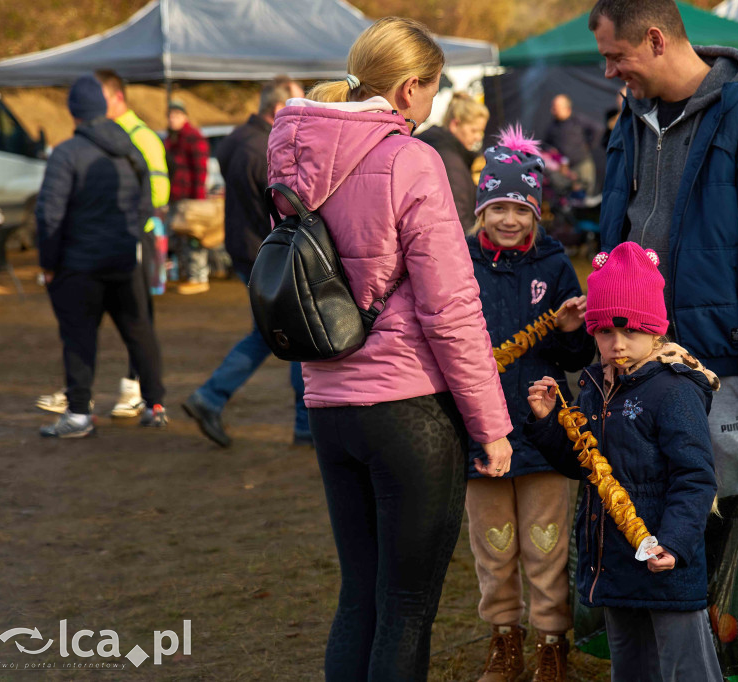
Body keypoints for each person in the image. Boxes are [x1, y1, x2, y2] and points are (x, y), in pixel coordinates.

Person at [265, 17, 514, 681]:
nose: (431, 103)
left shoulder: (293, 151)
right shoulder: (412, 159)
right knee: (405, 607)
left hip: (327, 401)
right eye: (433, 89)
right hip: (409, 408)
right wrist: (491, 426)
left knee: (359, 597)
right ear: (409, 88)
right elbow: (450, 308)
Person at [590, 0, 738, 498]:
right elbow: (617, 232)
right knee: (653, 517)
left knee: (732, 520)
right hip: (637, 362)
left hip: (722, 367)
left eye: (616, 56)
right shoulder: (632, 117)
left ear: (656, 39)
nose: (609, 72)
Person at [526, 242, 723, 682]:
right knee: (631, 667)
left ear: (655, 330)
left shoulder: (674, 390)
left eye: (630, 332)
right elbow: (585, 467)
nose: (616, 345)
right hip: (613, 560)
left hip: (665, 562)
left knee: (686, 667)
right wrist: (547, 424)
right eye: (603, 332)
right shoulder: (595, 386)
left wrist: (674, 542)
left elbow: (695, 478)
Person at [465, 126, 594, 682]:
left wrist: (570, 331)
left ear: (537, 213)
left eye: (521, 209)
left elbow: (578, 356)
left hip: (543, 432)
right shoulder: (461, 263)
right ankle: (504, 637)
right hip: (480, 430)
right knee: (493, 545)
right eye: (498, 208)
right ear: (481, 211)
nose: (510, 220)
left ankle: (551, 641)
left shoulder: (555, 266)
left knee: (546, 543)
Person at [34, 69, 172, 419]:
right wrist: (131, 235)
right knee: (139, 330)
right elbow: (147, 201)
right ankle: (155, 405)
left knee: (79, 338)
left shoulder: (67, 154)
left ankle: (79, 413)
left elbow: (49, 214)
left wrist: (48, 263)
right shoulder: (131, 150)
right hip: (125, 259)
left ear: (74, 112)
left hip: (80, 265)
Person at [181, 83, 310, 448]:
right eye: (297, 105)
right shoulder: (263, 149)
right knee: (298, 337)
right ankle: (305, 424)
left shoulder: (236, 139)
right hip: (266, 255)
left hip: (247, 250)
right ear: (279, 107)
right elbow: (284, 206)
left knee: (271, 335)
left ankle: (211, 398)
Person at [417, 92, 489, 232]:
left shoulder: (449, 154)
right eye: (474, 130)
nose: (478, 137)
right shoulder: (450, 162)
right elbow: (458, 219)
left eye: (481, 132)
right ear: (455, 124)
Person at [164, 100, 210, 295]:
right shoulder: (171, 139)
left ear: (185, 117)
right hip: (175, 197)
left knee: (193, 237)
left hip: (191, 199)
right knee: (179, 238)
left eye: (176, 115)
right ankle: (186, 274)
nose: (172, 119)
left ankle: (198, 277)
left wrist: (197, 200)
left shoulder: (193, 137)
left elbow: (201, 170)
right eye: (170, 115)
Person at [543, 94, 600, 195]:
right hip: (564, 170)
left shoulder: (578, 120)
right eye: (553, 108)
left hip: (582, 165)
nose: (552, 111)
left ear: (567, 109)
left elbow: (598, 129)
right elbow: (545, 144)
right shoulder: (553, 126)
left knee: (585, 195)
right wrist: (552, 152)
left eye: (555, 108)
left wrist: (589, 145)